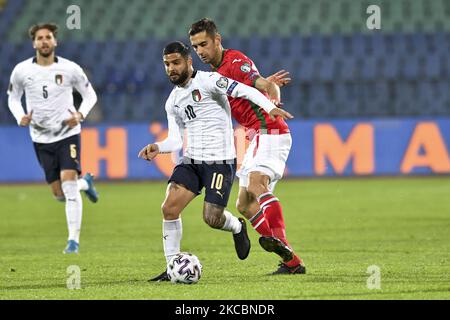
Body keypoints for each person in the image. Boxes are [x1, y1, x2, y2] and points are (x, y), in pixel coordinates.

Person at [138, 41, 293, 281]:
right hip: (191, 161)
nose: (171, 68)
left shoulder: (210, 81)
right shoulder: (173, 101)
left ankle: (238, 227)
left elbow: (244, 90)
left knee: (212, 218)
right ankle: (172, 267)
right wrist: (158, 147)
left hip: (219, 162)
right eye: (167, 64)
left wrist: (269, 106)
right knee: (169, 207)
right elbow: (176, 140)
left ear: (189, 62)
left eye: (176, 63)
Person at [189, 18, 306, 274]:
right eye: (195, 47)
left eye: (204, 44)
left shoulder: (235, 62)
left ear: (217, 40)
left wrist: (274, 100)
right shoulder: (213, 73)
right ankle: (291, 261)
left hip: (270, 130)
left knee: (256, 184)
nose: (200, 51)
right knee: (244, 204)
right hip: (254, 136)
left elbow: (266, 85)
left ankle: (281, 243)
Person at [7, 23, 99, 254]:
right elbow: (13, 98)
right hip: (40, 137)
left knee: (68, 185)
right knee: (59, 194)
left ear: (55, 42)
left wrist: (80, 114)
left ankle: (73, 242)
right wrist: (20, 116)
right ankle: (85, 183)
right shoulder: (21, 71)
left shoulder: (70, 69)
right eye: (40, 38)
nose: (44, 41)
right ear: (34, 43)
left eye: (48, 37)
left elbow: (90, 95)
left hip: (68, 134)